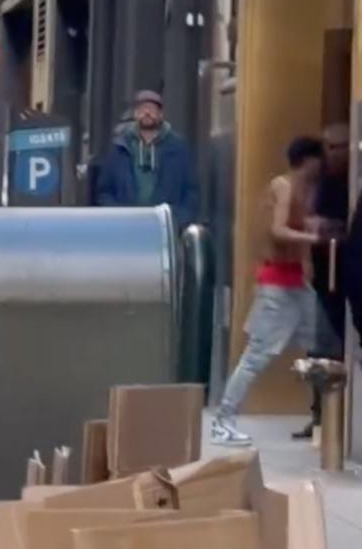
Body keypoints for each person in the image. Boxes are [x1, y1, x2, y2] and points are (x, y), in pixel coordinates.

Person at [211, 136, 326, 446]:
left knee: (325, 344)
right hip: (277, 287)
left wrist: (307, 259)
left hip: (295, 285)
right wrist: (312, 239)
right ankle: (223, 420)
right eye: (320, 157)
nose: (324, 163)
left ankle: (326, 419)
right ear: (308, 160)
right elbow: (278, 230)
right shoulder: (285, 186)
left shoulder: (304, 190)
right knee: (257, 356)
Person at [294, 124, 350, 439]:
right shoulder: (322, 183)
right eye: (326, 147)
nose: (329, 154)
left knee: (336, 345)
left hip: (343, 275)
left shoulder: (348, 182)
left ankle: (337, 417)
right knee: (320, 348)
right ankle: (320, 415)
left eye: (336, 147)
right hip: (323, 275)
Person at [96, 90, 199, 230]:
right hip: (126, 227)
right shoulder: (119, 148)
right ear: (135, 114)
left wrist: (177, 220)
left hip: (165, 228)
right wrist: (117, 216)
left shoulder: (178, 148)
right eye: (142, 109)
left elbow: (191, 191)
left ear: (161, 114)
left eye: (152, 109)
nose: (147, 113)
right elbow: (104, 191)